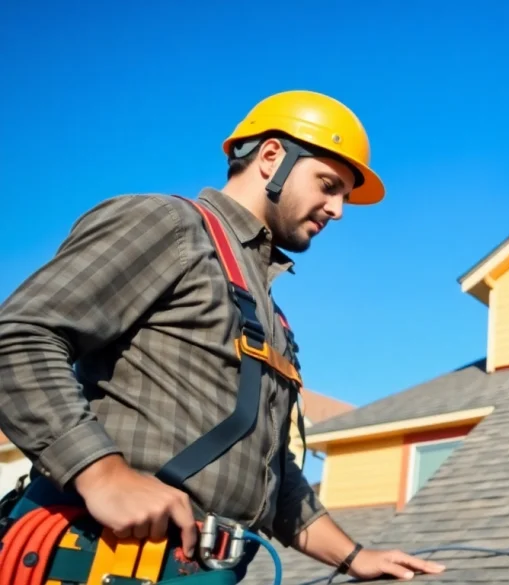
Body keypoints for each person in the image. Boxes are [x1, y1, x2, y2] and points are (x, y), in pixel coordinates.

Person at [0, 90, 445, 582]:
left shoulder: (267, 313)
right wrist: (101, 472)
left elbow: (268, 470)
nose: (337, 209)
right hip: (107, 557)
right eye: (328, 184)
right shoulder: (169, 226)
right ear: (272, 156)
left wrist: (354, 555)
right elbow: (20, 335)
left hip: (202, 569)